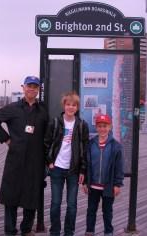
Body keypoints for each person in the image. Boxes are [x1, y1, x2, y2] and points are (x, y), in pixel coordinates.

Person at [0, 76, 48, 236]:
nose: (32, 89)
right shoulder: (12, 108)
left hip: (36, 160)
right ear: (23, 87)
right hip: (15, 159)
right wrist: (6, 139)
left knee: (32, 196)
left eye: (35, 87)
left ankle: (26, 229)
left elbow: (48, 134)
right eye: (29, 86)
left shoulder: (43, 110)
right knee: (11, 197)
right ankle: (10, 230)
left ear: (38, 89)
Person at [44, 91, 89, 236]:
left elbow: (84, 149)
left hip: (73, 171)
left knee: (72, 205)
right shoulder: (55, 122)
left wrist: (83, 170)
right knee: (55, 204)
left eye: (74, 105)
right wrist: (50, 162)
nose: (71, 107)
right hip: (56, 168)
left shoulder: (82, 125)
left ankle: (69, 232)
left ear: (77, 107)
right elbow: (46, 143)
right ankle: (55, 232)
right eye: (68, 104)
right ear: (64, 105)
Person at [83, 114, 124, 236]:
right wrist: (85, 182)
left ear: (110, 127)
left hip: (108, 186)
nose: (102, 129)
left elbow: (119, 167)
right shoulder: (90, 144)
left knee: (107, 211)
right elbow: (86, 164)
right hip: (93, 186)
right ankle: (90, 231)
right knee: (91, 210)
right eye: (100, 126)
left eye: (105, 126)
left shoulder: (116, 146)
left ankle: (108, 231)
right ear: (96, 127)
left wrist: (117, 184)